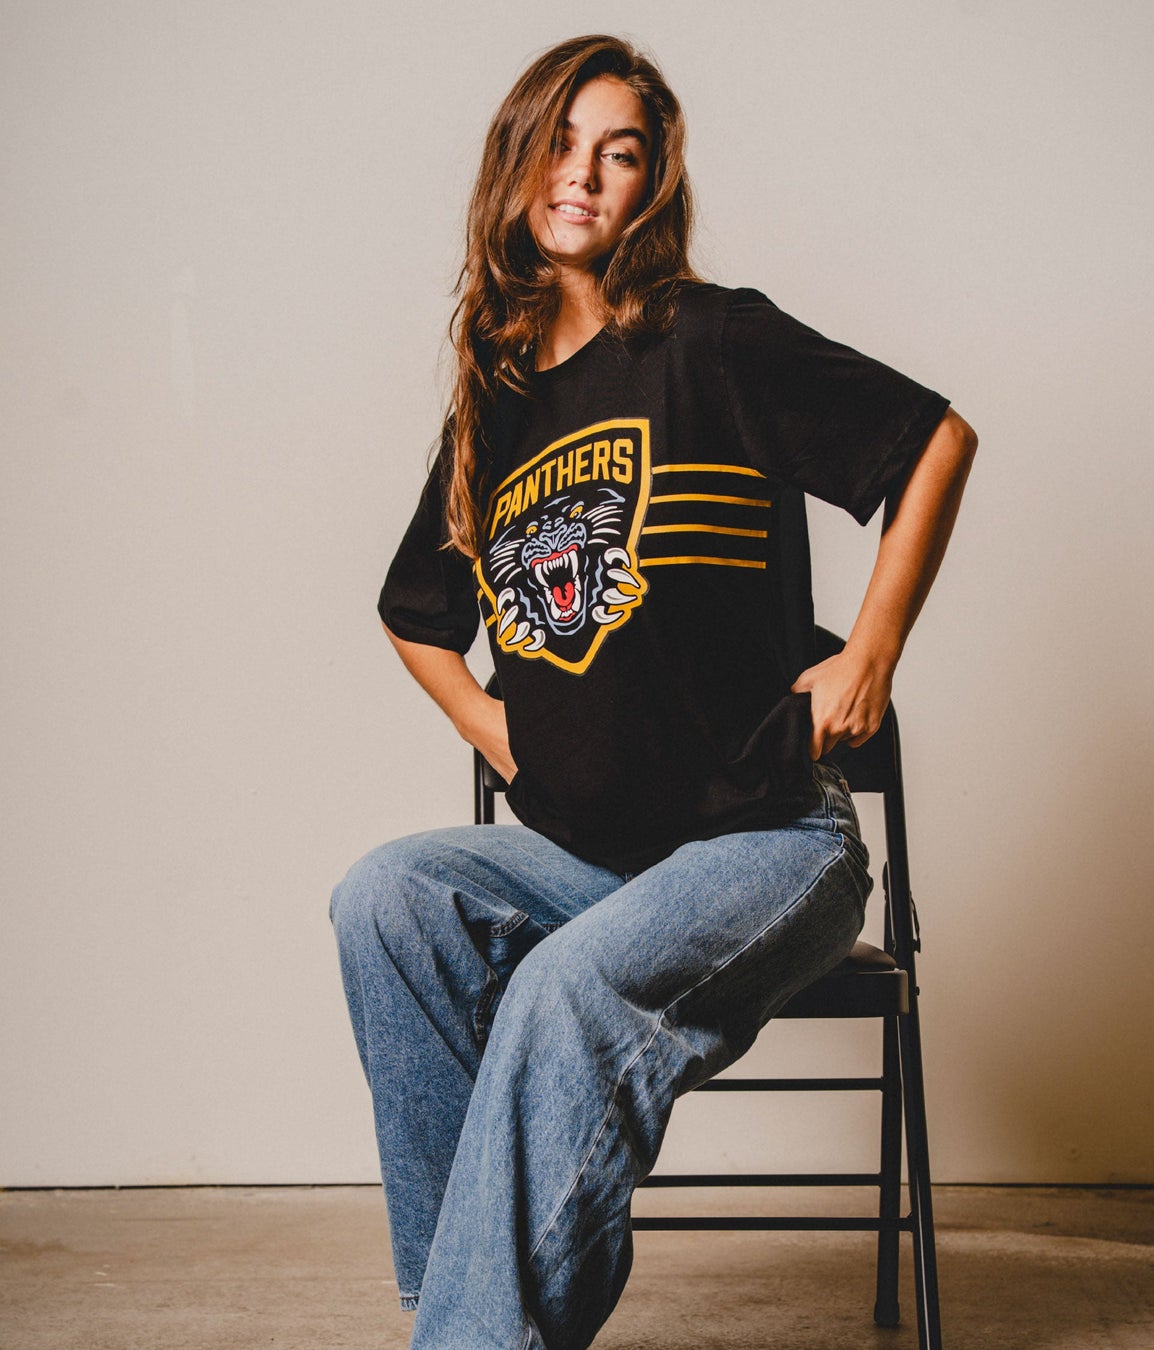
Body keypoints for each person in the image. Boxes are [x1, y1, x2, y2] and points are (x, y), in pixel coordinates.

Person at [329, 36, 977, 1348]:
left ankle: (471, 1337)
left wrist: (875, 648)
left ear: (650, 186)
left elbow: (934, 439)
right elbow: (415, 613)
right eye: (562, 143)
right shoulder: (495, 408)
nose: (585, 174)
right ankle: (466, 1317)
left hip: (767, 843)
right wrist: (486, 718)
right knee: (385, 897)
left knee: (565, 989)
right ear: (517, 166)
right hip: (599, 860)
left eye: (619, 152)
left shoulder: (706, 339)